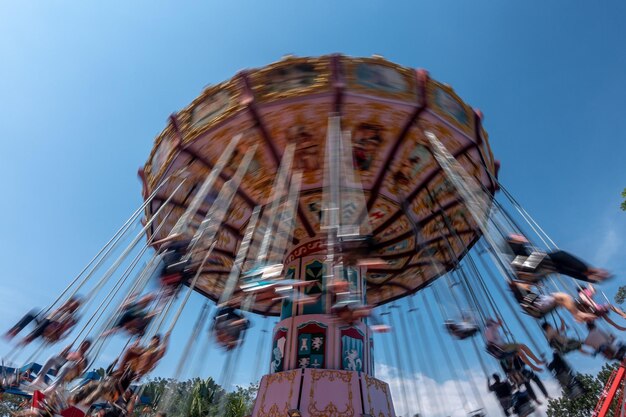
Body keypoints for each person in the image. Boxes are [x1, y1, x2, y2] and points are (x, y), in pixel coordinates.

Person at [505, 234, 611, 283]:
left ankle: (589, 276)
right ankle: (590, 271)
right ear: (512, 239)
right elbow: (515, 239)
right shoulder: (512, 245)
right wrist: (520, 239)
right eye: (517, 236)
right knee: (560, 255)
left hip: (531, 266)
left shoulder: (517, 249)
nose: (520, 236)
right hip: (526, 266)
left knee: (559, 267)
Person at [508, 280, 596, 322]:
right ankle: (578, 314)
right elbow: (525, 286)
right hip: (539, 304)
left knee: (563, 300)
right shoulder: (520, 289)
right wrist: (532, 283)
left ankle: (579, 314)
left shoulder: (523, 296)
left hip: (538, 303)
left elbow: (526, 289)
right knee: (564, 296)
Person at [5, 297, 82, 346]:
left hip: (52, 331)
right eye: (73, 303)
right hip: (44, 323)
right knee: (31, 315)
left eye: (76, 305)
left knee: (48, 320)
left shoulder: (70, 317)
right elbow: (55, 312)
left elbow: (64, 328)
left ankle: (30, 337)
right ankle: (16, 329)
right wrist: (65, 306)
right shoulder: (61, 310)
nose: (73, 305)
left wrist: (58, 333)